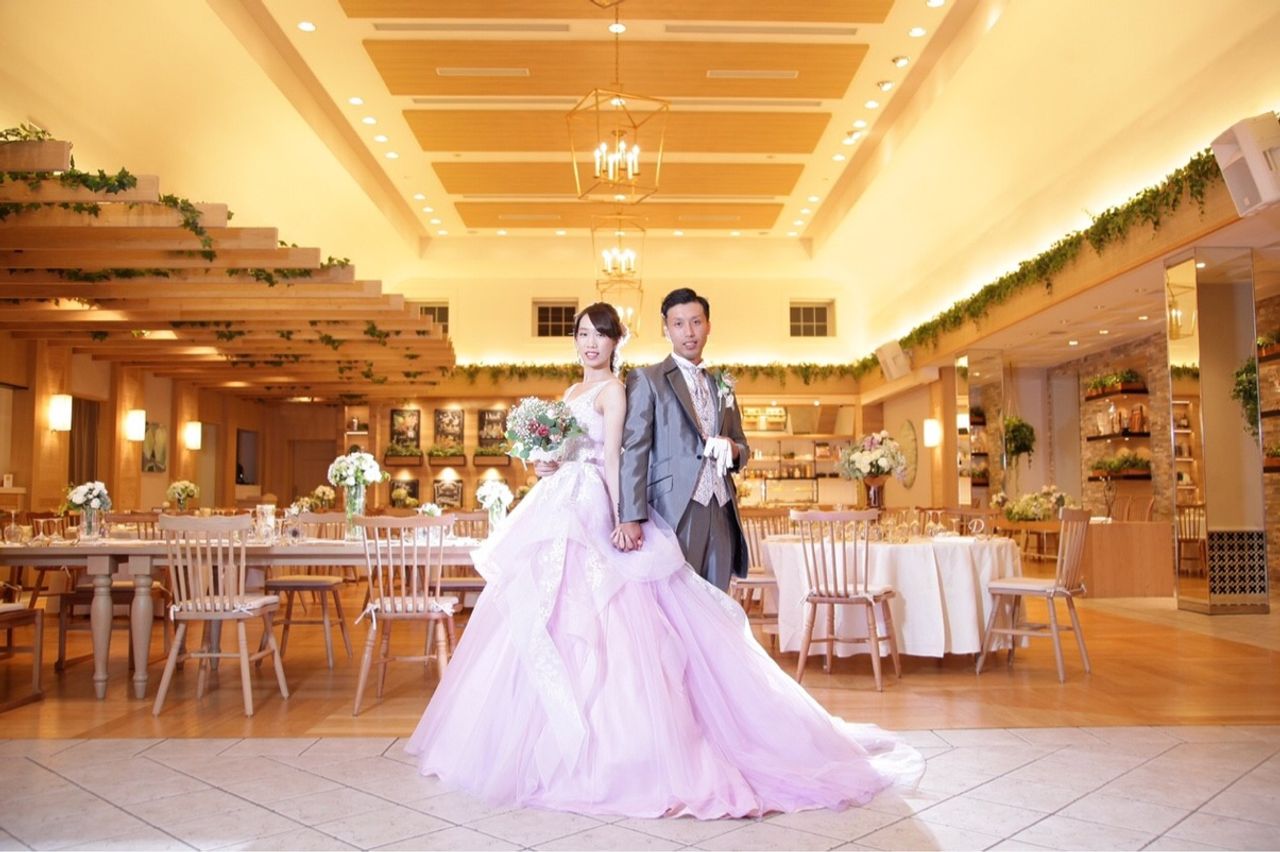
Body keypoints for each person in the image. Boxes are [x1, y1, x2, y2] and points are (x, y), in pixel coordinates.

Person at [405, 302, 920, 819]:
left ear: (617, 342)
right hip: (560, 503)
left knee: (613, 618)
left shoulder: (615, 390)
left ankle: (620, 749)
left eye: (600, 335)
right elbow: (568, 452)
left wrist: (622, 517)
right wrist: (546, 463)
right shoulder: (571, 392)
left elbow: (616, 457)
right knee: (550, 614)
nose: (590, 344)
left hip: (595, 505)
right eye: (582, 334)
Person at [615, 287, 749, 591]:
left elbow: (742, 444)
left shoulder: (722, 383)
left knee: (717, 602)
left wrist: (733, 449)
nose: (689, 332)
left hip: (722, 509)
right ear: (666, 329)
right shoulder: (647, 379)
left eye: (696, 322)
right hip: (672, 509)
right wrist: (630, 516)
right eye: (678, 324)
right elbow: (634, 449)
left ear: (708, 326)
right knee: (674, 603)